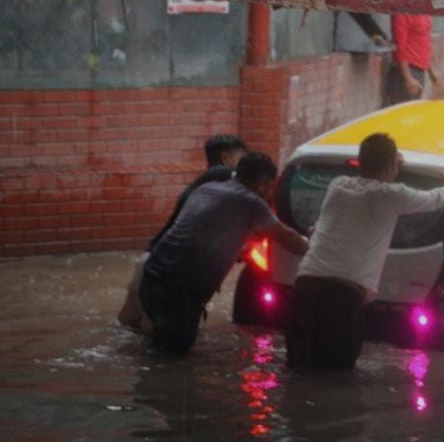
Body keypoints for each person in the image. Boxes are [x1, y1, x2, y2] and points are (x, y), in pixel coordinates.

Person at [286, 133, 444, 371]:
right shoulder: (391, 195)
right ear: (391, 165)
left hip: (304, 287)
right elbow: (437, 198)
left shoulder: (337, 185)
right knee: (334, 375)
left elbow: (354, 204)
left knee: (298, 366)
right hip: (343, 297)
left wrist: (389, 165)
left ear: (360, 161)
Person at [139, 152, 309, 354]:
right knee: (174, 354)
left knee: (161, 346)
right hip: (180, 291)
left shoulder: (208, 189)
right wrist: (319, 249)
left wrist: (240, 249)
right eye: (270, 186)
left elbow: (203, 232)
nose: (270, 192)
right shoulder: (251, 201)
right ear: (263, 182)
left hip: (151, 278)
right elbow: (289, 239)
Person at [117, 135, 248, 333]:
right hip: (166, 275)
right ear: (225, 157)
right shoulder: (223, 174)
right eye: (242, 157)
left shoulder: (207, 189)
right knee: (160, 346)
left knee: (130, 332)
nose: (245, 166)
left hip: (150, 263)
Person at [385, 14, 441, 106]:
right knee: (403, 115)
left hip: (419, 72)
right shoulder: (401, 14)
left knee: (412, 112)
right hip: (407, 71)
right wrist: (408, 78)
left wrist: (431, 71)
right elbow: (399, 47)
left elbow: (423, 43)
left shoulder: (424, 13)